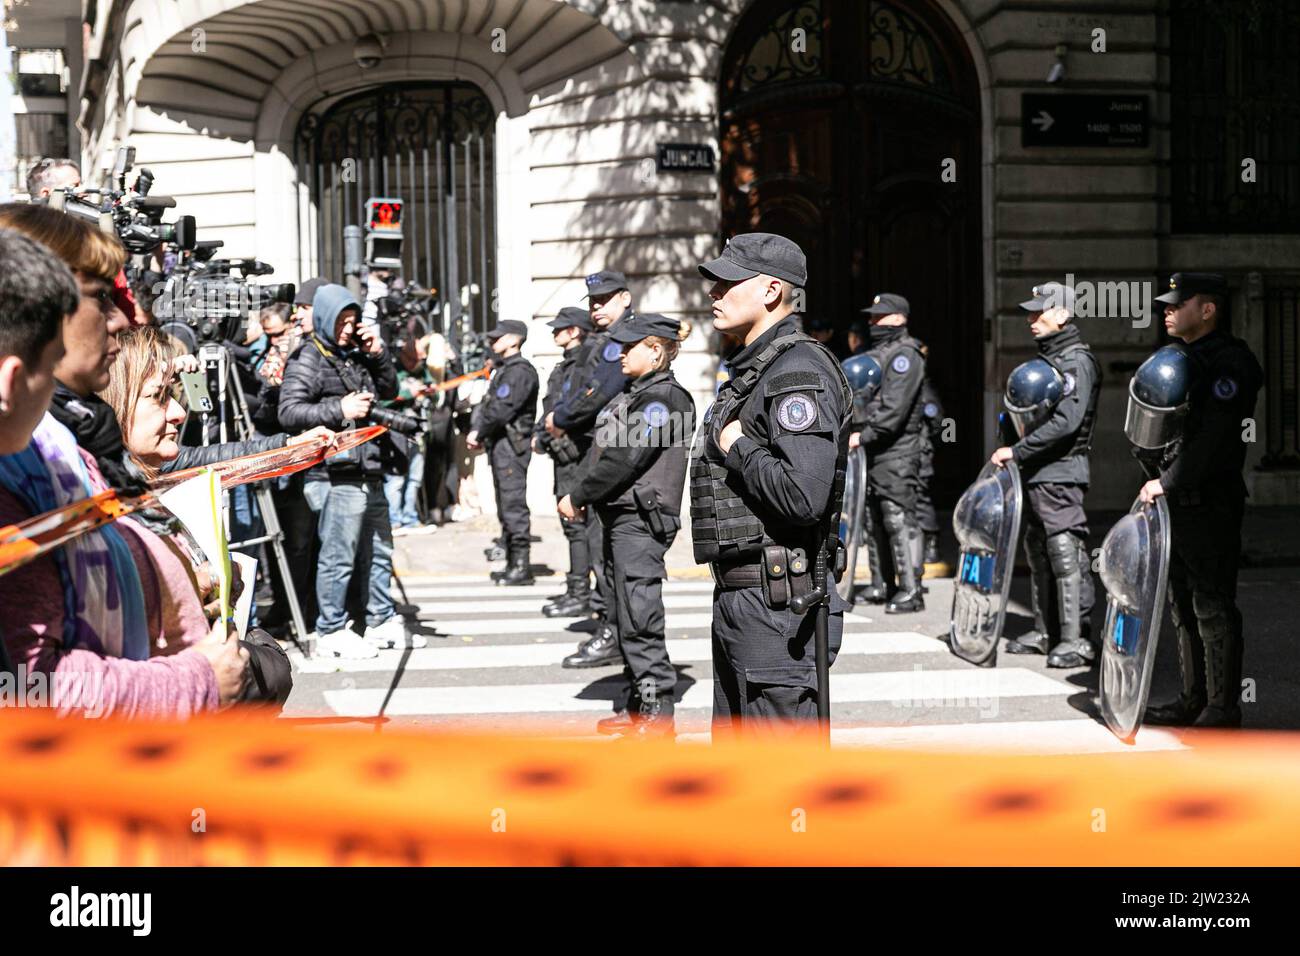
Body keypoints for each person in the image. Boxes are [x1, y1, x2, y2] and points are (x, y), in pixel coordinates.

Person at [0, 226, 246, 717]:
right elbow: (25, 685)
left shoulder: (65, 452)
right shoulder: (20, 476)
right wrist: (194, 681)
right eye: (101, 297)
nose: (124, 319)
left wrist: (181, 586)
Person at [690, 232, 852, 733]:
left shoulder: (797, 372)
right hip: (747, 600)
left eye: (727, 283)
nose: (714, 294)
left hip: (777, 606)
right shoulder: (758, 368)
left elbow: (804, 497)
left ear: (771, 291)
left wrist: (739, 447)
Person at [559, 313, 694, 736]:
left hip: (640, 522)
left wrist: (578, 494)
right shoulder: (641, 394)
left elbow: (624, 459)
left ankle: (656, 714)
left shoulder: (663, 400)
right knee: (625, 616)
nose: (617, 355)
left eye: (627, 346)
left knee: (640, 619)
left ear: (654, 350)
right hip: (622, 519)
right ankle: (639, 704)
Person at [1137, 273, 1262, 728]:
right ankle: (1191, 698)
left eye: (1177, 304)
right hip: (1176, 500)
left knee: (1212, 605)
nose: (1166, 311)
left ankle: (1221, 707)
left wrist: (1166, 481)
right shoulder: (1182, 358)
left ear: (1207, 310)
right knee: (1182, 604)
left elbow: (1215, 441)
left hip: (1210, 501)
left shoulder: (1230, 363)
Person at [278, 283, 421, 657]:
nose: (347, 327)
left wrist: (378, 354)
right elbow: (289, 412)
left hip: (367, 465)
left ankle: (379, 620)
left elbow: (389, 390)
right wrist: (339, 409)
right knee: (338, 555)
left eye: (353, 320)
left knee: (379, 550)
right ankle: (330, 630)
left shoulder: (353, 354)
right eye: (342, 320)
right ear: (325, 318)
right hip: (334, 472)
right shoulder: (308, 357)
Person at [991, 282, 1101, 667]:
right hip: (1038, 471)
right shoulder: (1053, 359)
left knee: (1065, 554)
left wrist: (1017, 450)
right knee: (1038, 553)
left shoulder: (1076, 361)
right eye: (1031, 312)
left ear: (1063, 314)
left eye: (1040, 312)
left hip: (1061, 470)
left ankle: (1077, 639)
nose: (1030, 319)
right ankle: (1046, 631)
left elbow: (1067, 423)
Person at [551, 271, 636, 666]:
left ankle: (615, 631)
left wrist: (562, 418)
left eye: (604, 300)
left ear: (625, 298)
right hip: (596, 449)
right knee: (602, 547)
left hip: (612, 452)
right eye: (592, 302)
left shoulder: (625, 338)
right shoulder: (605, 340)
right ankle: (614, 628)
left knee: (610, 551)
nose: (596, 307)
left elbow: (598, 394)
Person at [851, 293, 927, 613]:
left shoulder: (905, 356)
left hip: (897, 449)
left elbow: (893, 409)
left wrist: (863, 435)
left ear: (898, 319)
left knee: (898, 517)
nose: (872, 323)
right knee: (873, 518)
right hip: (874, 448)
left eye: (878, 317)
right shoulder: (879, 354)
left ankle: (911, 589)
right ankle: (883, 584)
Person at [467, 319, 539, 585]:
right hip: (502, 445)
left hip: (512, 445)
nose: (492, 343)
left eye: (498, 338)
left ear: (514, 339)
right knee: (505, 504)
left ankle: (521, 567)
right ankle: (512, 561)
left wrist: (479, 432)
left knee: (513, 505)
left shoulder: (519, 371)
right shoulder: (505, 369)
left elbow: (501, 409)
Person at [535, 306, 596, 618]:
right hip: (561, 454)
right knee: (570, 525)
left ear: (575, 331)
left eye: (560, 328)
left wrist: (549, 435)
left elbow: (576, 410)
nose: (554, 332)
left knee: (577, 526)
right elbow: (550, 408)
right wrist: (541, 436)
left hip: (577, 454)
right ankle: (576, 588)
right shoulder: (564, 367)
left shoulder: (585, 363)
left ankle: (581, 593)